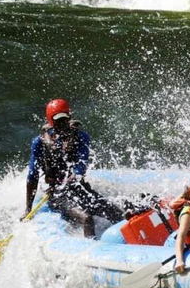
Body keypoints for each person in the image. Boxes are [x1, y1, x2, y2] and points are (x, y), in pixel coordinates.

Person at [23, 99, 124, 238]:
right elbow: (32, 177)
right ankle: (92, 251)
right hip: (58, 195)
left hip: (79, 189)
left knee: (117, 213)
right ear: (50, 121)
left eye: (64, 119)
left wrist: (74, 176)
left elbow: (81, 166)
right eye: (57, 120)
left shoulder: (81, 137)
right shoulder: (40, 143)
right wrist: (28, 209)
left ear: (69, 117)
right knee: (87, 218)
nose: (62, 124)